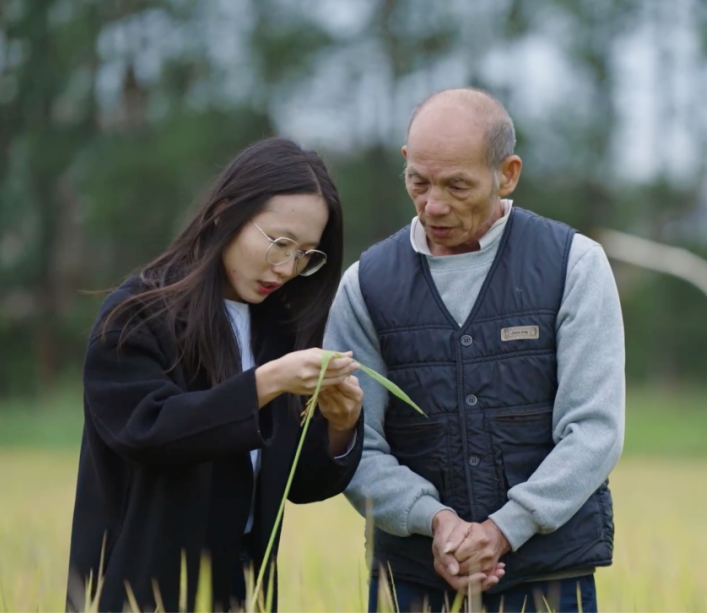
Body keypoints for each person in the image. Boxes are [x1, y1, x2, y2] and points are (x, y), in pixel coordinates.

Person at [323, 87, 625, 612]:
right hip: (411, 577)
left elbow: (593, 430)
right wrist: (434, 521)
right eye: (418, 181)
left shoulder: (574, 264)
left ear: (507, 174)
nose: (433, 204)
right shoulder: (364, 284)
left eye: (457, 185)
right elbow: (358, 446)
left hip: (549, 577)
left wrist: (504, 530)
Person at [65, 137, 365, 612]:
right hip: (139, 593)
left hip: (240, 592)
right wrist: (267, 383)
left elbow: (298, 484)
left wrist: (340, 427)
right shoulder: (136, 315)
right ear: (225, 212)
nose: (288, 268)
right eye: (279, 243)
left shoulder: (280, 329)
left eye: (307, 254)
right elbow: (150, 430)